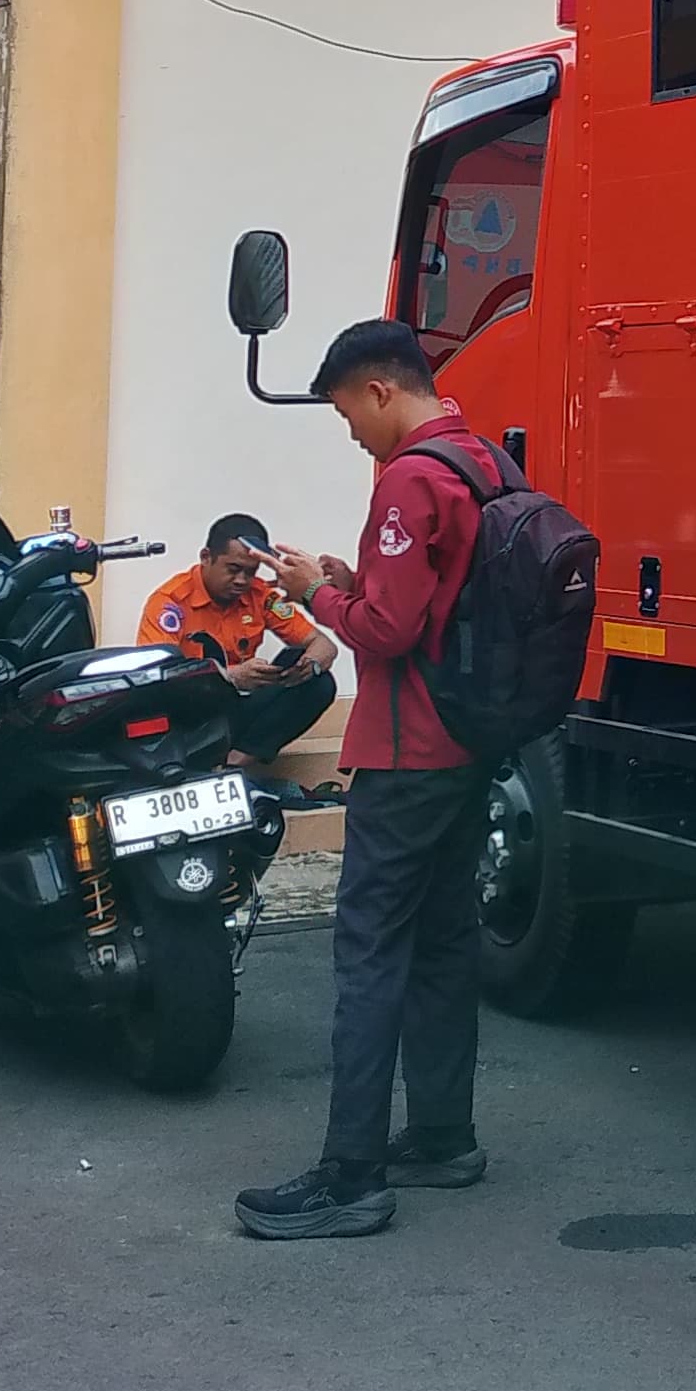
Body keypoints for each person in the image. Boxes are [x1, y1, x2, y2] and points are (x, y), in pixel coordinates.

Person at [238, 320, 498, 1241]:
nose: (348, 430)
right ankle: (442, 1136)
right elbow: (433, 603)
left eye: (347, 410)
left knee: (370, 953)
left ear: (382, 391)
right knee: (443, 942)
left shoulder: (411, 479)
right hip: (470, 745)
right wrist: (351, 580)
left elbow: (384, 634)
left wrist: (315, 592)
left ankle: (350, 1174)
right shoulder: (482, 464)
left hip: (405, 748)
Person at [134, 512, 334, 777]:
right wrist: (231, 677)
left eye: (250, 572)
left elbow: (324, 645)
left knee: (317, 679)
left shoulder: (259, 595)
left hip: (234, 711)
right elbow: (155, 680)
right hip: (187, 718)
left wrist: (310, 664)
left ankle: (231, 764)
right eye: (233, 569)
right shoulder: (169, 602)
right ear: (206, 557)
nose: (242, 580)